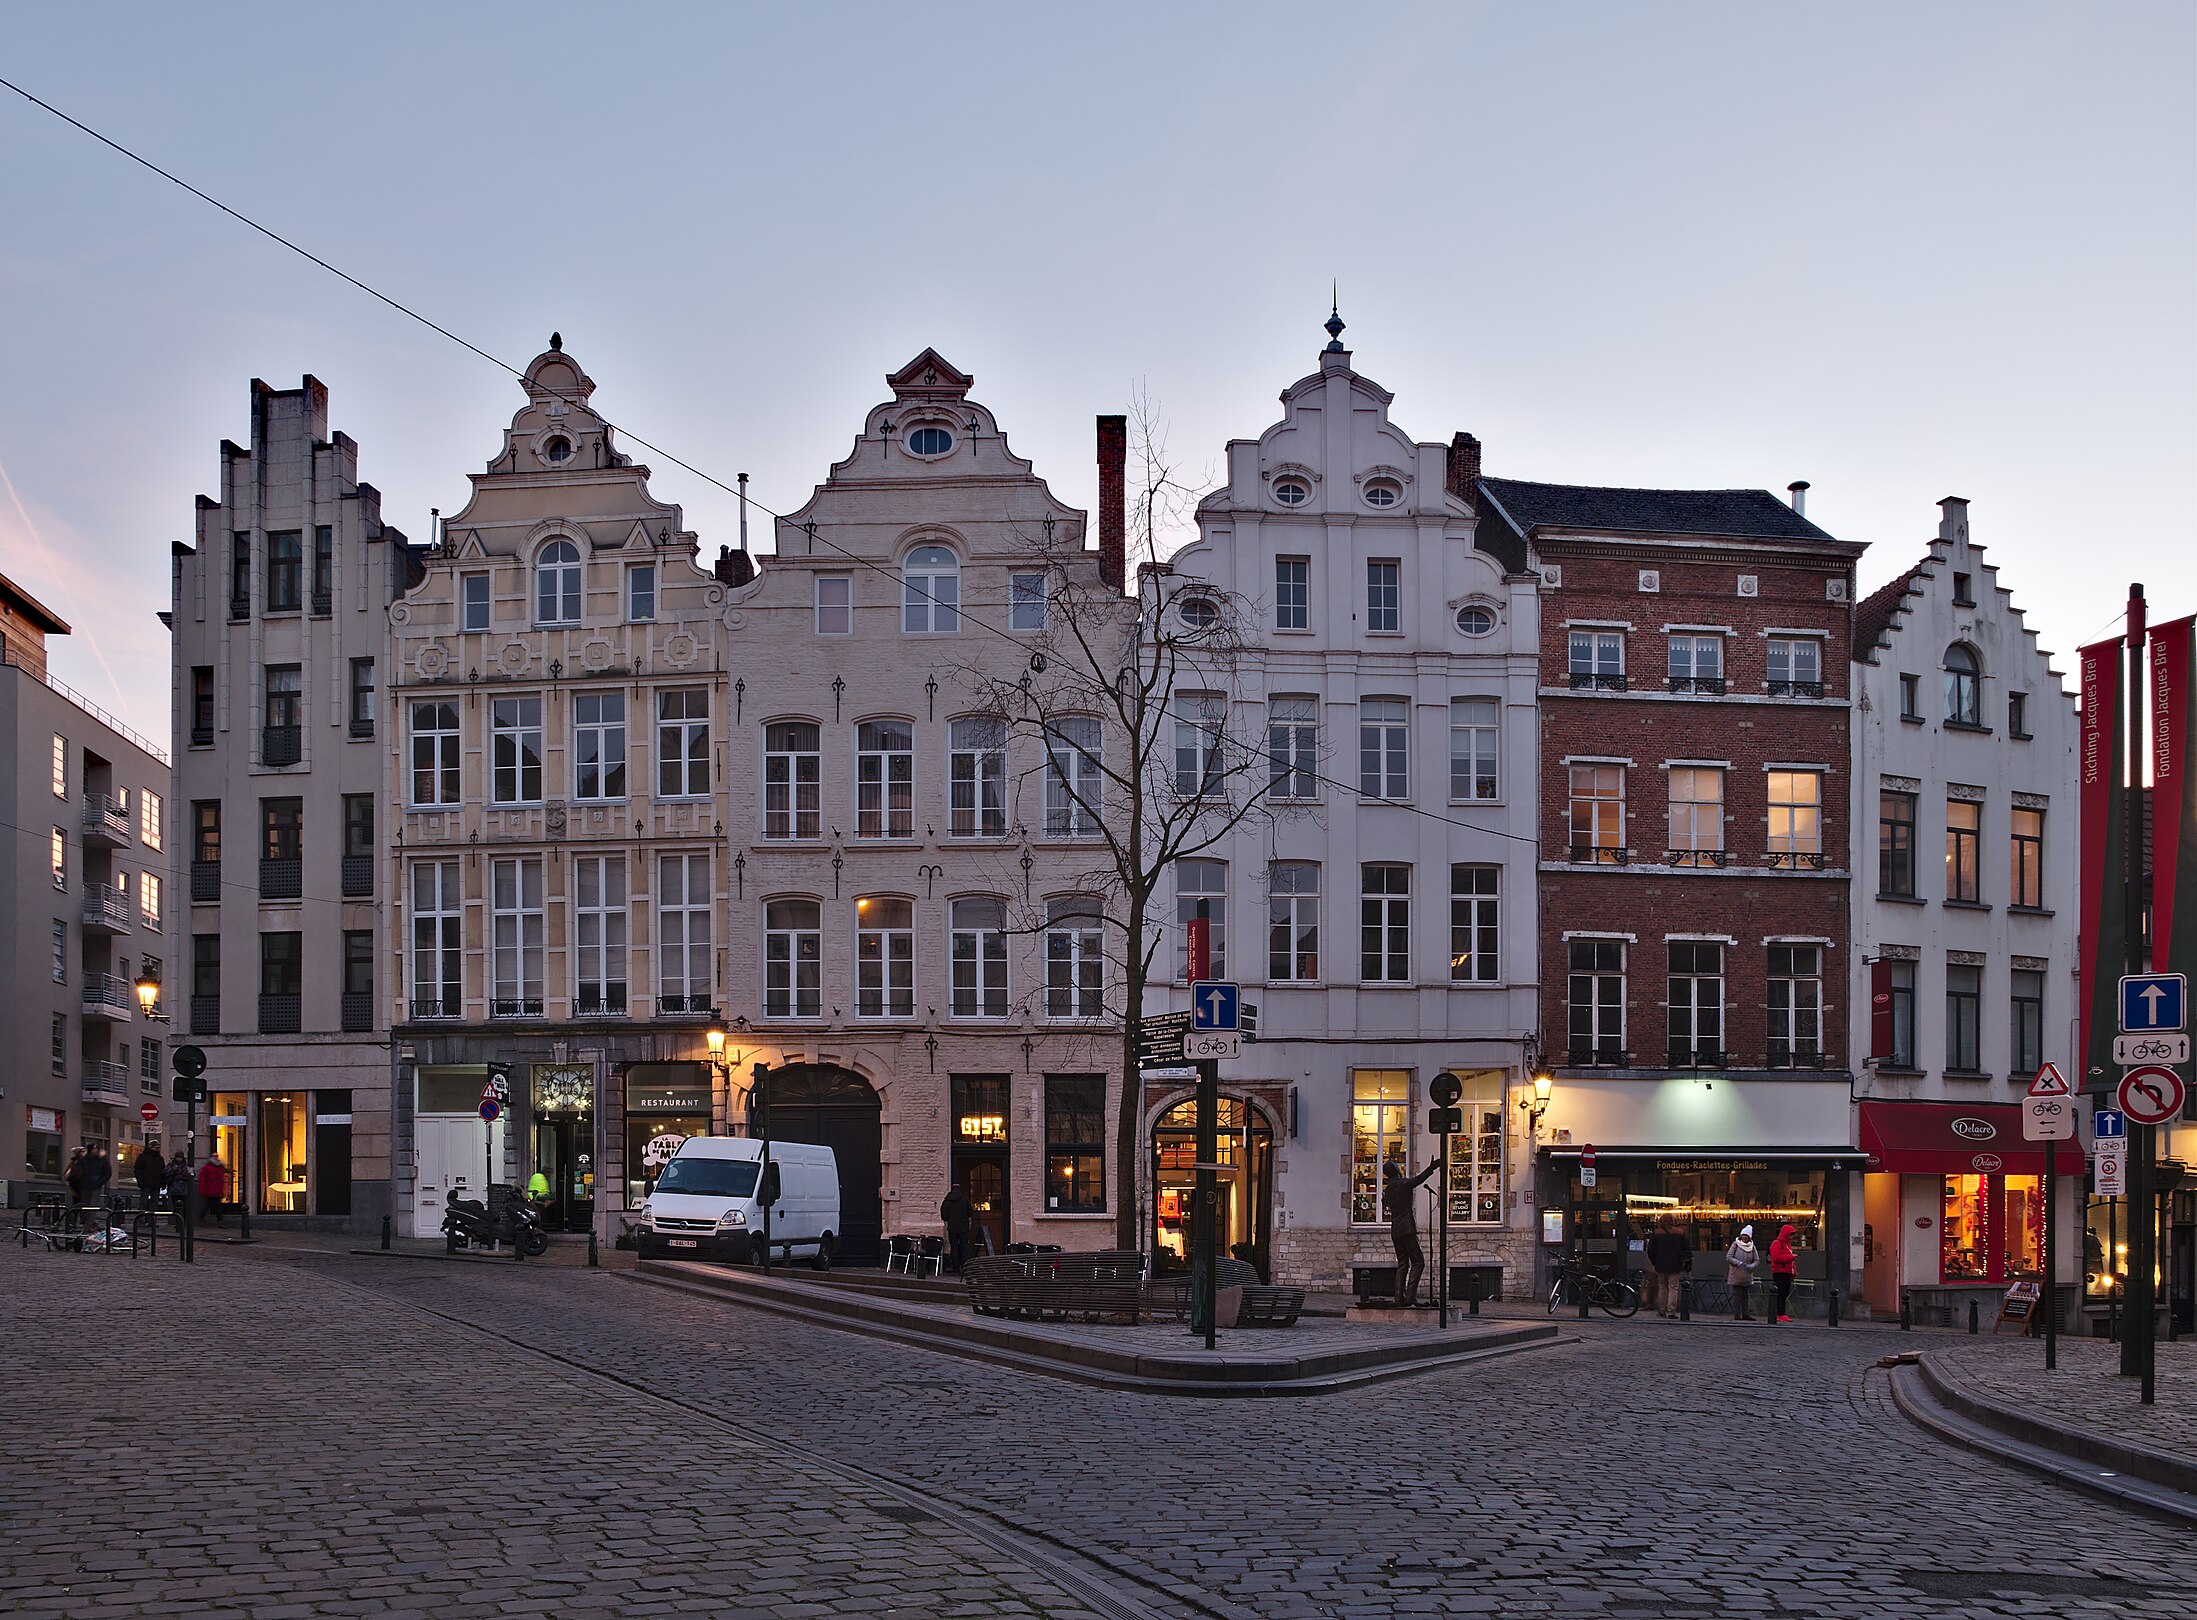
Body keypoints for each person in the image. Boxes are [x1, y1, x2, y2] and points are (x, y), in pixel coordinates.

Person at [1383, 1158, 1440, 1306]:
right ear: (1396, 1170)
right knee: (1418, 1262)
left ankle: (1399, 1297)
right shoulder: (1402, 1184)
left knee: (1402, 1263)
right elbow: (1418, 1180)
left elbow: (1385, 1203)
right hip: (1406, 1228)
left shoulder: (1388, 1189)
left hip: (1395, 1229)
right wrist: (1431, 1168)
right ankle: (1410, 1296)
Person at [1643, 1215, 1690, 1318]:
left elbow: (1650, 1250)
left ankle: (1662, 1310)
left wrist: (1654, 1261)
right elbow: (1686, 1249)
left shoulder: (1656, 1233)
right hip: (1675, 1263)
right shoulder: (1680, 1233)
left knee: (1662, 1287)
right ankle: (1671, 1311)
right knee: (1673, 1287)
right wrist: (1685, 1262)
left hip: (1661, 1263)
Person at [1726, 1224, 1760, 1321]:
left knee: (1745, 1295)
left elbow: (1757, 1260)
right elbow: (1729, 1257)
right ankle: (1737, 1314)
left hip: (1747, 1275)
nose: (1744, 1237)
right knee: (1738, 1295)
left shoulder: (1752, 1247)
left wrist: (1751, 1266)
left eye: (1746, 1236)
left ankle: (1745, 1313)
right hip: (1736, 1274)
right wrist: (1738, 1263)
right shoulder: (1735, 1245)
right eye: (1743, 1235)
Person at [1769, 1223, 1800, 1323]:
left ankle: (1782, 1313)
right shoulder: (1777, 1243)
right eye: (1790, 1234)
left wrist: (1793, 1272)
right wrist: (1791, 1257)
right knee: (1780, 1294)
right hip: (1780, 1272)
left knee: (1784, 1294)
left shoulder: (1787, 1245)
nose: (1791, 1237)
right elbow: (1776, 1258)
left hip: (1786, 1272)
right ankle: (1780, 1313)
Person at [940, 1184, 973, 1274]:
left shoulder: (947, 1201)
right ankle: (964, 1266)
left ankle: (955, 1267)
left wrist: (949, 1219)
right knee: (963, 1247)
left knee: (954, 1247)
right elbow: (970, 1212)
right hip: (963, 1227)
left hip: (952, 1228)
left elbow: (943, 1215)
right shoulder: (965, 1200)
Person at [197, 1154, 229, 1226]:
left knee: (217, 1207)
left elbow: (222, 1180)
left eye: (216, 1156)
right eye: (214, 1156)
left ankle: (219, 1221)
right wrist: (202, 1191)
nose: (216, 1158)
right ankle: (203, 1219)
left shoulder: (220, 1167)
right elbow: (202, 1180)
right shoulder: (207, 1168)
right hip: (209, 1191)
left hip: (217, 1191)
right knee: (208, 1206)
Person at [134, 1143, 167, 1207]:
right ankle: (142, 1215)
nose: (158, 1149)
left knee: (154, 1202)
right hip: (146, 1183)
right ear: (151, 1147)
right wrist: (140, 1181)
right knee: (144, 1202)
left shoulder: (159, 1158)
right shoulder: (143, 1157)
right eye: (156, 1148)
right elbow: (138, 1170)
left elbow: (163, 1171)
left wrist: (163, 1183)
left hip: (156, 1183)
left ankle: (151, 1216)